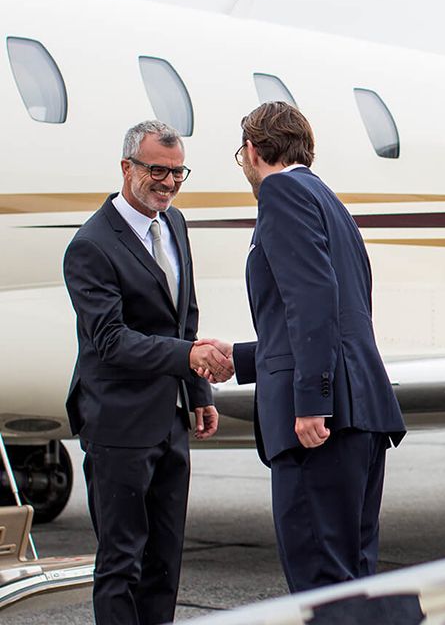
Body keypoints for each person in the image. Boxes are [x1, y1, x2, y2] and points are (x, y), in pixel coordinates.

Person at [198, 102, 406, 592]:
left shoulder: (281, 192)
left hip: (323, 422)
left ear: (251, 150)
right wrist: (242, 358)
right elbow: (336, 311)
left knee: (320, 583)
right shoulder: (328, 200)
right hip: (360, 413)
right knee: (353, 582)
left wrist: (312, 401)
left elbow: (312, 301)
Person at [63, 120, 233, 624]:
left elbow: (187, 315)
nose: (169, 182)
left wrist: (198, 391)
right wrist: (187, 359)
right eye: (158, 170)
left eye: (178, 172)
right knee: (122, 562)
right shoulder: (90, 246)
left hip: (170, 420)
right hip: (117, 425)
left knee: (164, 561)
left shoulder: (174, 224)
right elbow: (109, 340)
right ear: (126, 167)